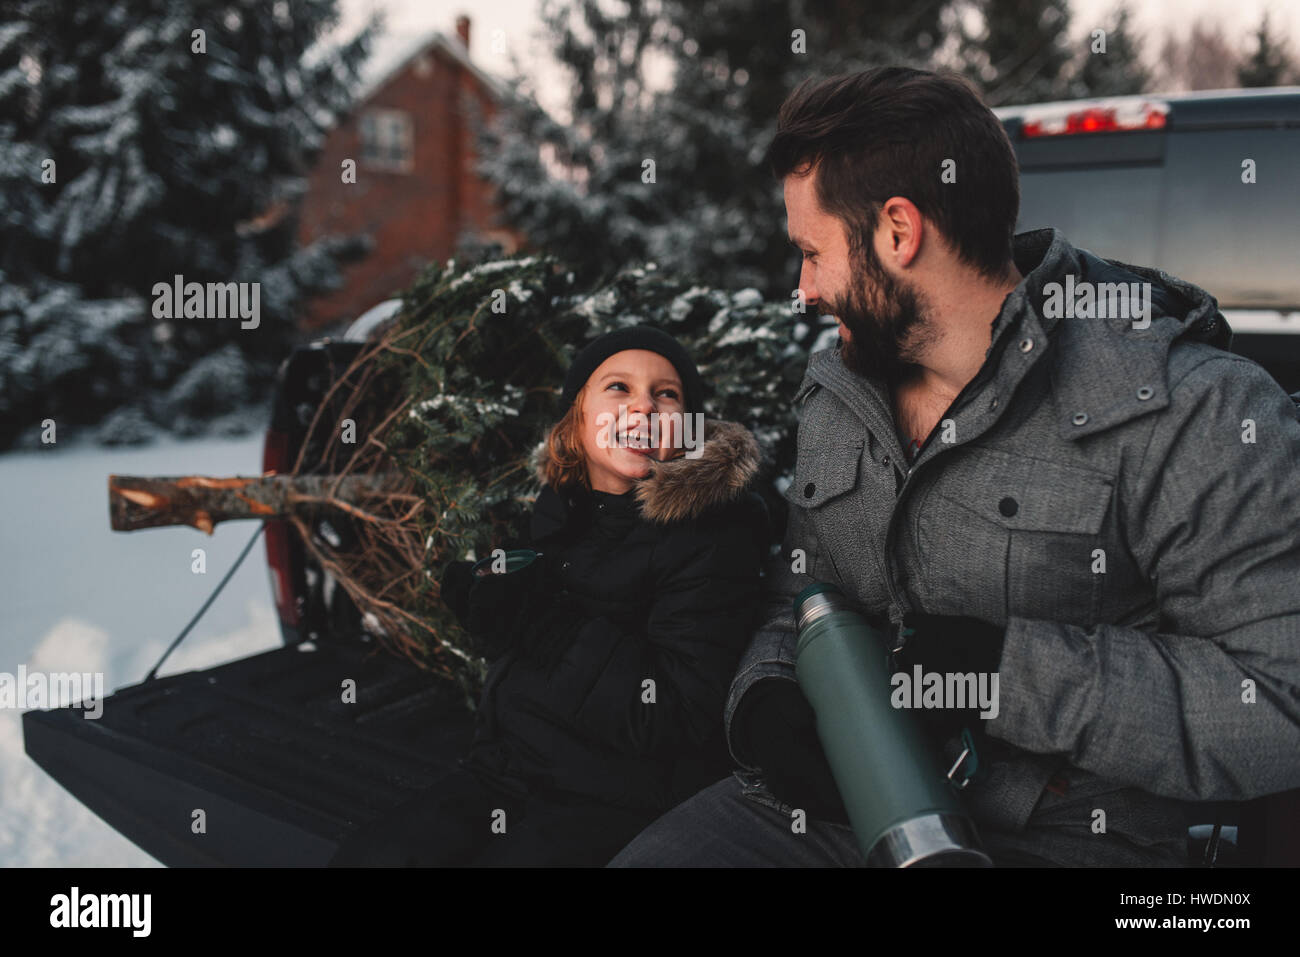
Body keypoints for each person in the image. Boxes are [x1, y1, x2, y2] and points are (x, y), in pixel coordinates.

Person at [610, 66, 1300, 868]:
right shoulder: (842, 390)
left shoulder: (1189, 408)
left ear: (899, 232)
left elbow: (1278, 701)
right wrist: (769, 693)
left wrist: (1007, 673)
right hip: (847, 800)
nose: (800, 291)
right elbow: (804, 588)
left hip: (1070, 833)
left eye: (810, 252)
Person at [329, 325, 768, 866]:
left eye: (667, 394)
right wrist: (487, 601)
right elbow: (534, 635)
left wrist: (545, 623)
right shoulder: (560, 509)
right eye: (618, 388)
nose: (644, 408)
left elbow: (677, 712)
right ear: (577, 417)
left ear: (689, 427)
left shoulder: (713, 534)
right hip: (502, 773)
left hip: (617, 802)